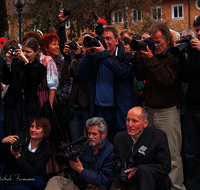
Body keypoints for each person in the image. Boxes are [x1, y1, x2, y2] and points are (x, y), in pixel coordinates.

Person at [134, 23, 185, 190]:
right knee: (153, 153)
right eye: (152, 42)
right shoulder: (151, 55)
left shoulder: (174, 56)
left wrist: (151, 60)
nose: (154, 46)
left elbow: (166, 80)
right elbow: (139, 75)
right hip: (151, 110)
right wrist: (140, 58)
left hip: (168, 111)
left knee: (172, 153)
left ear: (168, 40)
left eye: (157, 42)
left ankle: (177, 187)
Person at [77, 25, 137, 142]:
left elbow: (122, 72)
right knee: (100, 146)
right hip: (99, 110)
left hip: (119, 110)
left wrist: (104, 54)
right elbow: (82, 75)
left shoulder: (125, 57)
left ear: (116, 40)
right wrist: (89, 54)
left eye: (108, 38)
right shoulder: (96, 57)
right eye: (103, 38)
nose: (105, 42)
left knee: (122, 145)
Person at [45, 117, 113, 190]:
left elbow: (103, 181)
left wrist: (81, 170)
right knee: (55, 180)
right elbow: (77, 180)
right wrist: (74, 163)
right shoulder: (88, 148)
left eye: (94, 134)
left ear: (104, 134)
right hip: (82, 187)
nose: (90, 137)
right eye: (89, 133)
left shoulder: (111, 152)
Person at [111, 107, 171, 190]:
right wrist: (117, 187)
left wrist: (137, 169)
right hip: (130, 183)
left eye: (134, 121)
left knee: (144, 169)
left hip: (154, 183)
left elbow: (165, 167)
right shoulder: (119, 138)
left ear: (145, 123)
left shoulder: (158, 136)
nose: (129, 124)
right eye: (128, 120)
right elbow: (115, 168)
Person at [2, 38, 46, 137]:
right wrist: (8, 62)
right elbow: (6, 80)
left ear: (36, 52)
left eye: (28, 52)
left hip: (29, 106)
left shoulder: (40, 67)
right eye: (23, 51)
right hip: (13, 105)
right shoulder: (16, 63)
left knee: (29, 134)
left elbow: (33, 81)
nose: (25, 54)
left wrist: (26, 62)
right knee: (13, 134)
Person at [0, 117, 53, 190]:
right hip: (12, 179)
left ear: (44, 132)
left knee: (41, 184)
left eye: (37, 128)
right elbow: (1, 158)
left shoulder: (47, 151)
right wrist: (3, 142)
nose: (33, 130)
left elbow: (34, 172)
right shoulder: (20, 137)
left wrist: (18, 157)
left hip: (28, 178)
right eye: (32, 126)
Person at [178, 16, 200, 189]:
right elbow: (186, 77)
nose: (198, 33)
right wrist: (181, 55)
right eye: (197, 30)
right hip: (192, 108)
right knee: (190, 152)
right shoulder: (193, 51)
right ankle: (193, 185)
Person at [63, 35, 90, 142]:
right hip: (74, 107)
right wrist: (67, 57)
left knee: (91, 142)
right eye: (80, 44)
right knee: (76, 142)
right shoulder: (76, 58)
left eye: (84, 44)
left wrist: (78, 57)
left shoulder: (92, 60)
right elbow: (65, 76)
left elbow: (81, 75)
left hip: (87, 108)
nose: (82, 47)